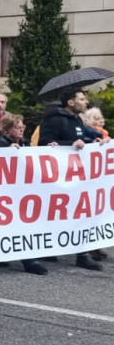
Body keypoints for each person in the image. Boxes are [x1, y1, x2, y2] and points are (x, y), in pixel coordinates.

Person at [38, 89, 105, 271]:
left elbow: (81, 138)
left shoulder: (77, 120)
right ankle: (47, 248)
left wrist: (95, 141)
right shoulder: (54, 119)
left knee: (79, 213)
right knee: (56, 213)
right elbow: (44, 144)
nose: (86, 102)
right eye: (82, 99)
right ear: (70, 102)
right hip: (58, 177)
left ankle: (82, 254)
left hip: (76, 176)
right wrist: (70, 145)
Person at [0, 115, 48, 275]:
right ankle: (30, 261)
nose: (21, 130)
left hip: (22, 192)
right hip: (6, 194)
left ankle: (24, 258)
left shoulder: (25, 143)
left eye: (22, 127)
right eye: (17, 127)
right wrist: (6, 153)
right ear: (7, 129)